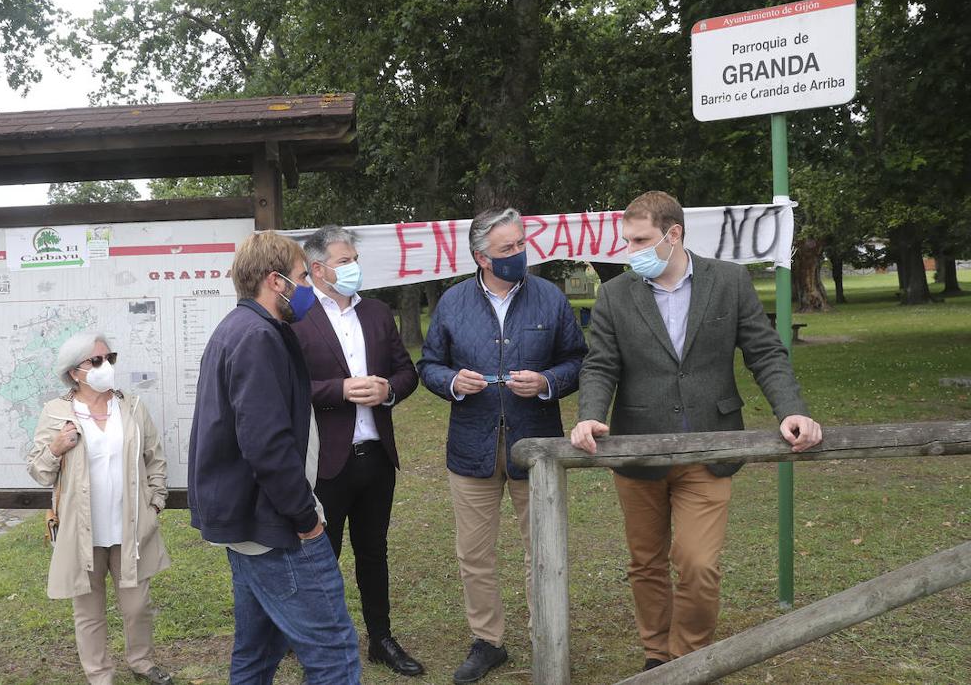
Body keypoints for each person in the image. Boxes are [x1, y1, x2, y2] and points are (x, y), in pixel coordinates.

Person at [570, 190, 823, 673]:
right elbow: (600, 364)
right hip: (637, 450)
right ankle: (655, 656)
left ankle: (687, 661)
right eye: (627, 241)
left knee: (699, 565)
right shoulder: (616, 295)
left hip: (711, 447)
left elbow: (765, 352)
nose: (632, 251)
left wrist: (791, 409)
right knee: (645, 563)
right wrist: (590, 413)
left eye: (641, 240)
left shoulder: (728, 282)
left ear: (674, 234)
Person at [418, 208, 587, 684]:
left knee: (544, 548)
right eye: (507, 249)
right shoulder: (452, 303)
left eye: (520, 244)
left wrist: (548, 381)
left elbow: (578, 360)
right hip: (471, 448)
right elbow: (428, 365)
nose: (519, 254)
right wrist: (452, 381)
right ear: (481, 257)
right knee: (474, 553)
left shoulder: (550, 298)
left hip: (537, 448)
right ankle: (488, 642)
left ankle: (545, 634)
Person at [188, 230, 361, 685]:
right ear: (276, 281)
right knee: (334, 653)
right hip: (278, 527)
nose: (310, 286)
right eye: (304, 276)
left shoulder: (242, 329)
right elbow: (265, 444)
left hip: (254, 523)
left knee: (258, 650)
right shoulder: (256, 336)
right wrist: (305, 519)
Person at [291, 225, 423, 677]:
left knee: (373, 551)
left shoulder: (378, 313)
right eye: (345, 261)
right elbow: (290, 388)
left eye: (354, 259)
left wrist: (387, 390)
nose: (354, 268)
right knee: (321, 555)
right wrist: (339, 390)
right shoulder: (298, 317)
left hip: (376, 456)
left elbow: (408, 373)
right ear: (319, 269)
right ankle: (316, 639)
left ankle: (381, 638)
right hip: (326, 462)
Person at [27, 332, 174, 685]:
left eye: (109, 358)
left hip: (130, 527)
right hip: (82, 531)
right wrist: (57, 448)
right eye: (95, 361)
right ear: (75, 372)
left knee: (137, 606)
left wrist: (155, 503)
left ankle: (141, 661)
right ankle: (99, 675)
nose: (105, 366)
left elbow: (154, 459)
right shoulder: (57, 412)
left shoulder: (132, 407)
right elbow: (39, 470)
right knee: (88, 611)